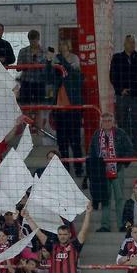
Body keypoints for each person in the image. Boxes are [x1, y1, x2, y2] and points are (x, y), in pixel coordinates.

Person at [87, 113, 134, 232]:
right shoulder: (97, 134)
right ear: (101, 122)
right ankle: (105, 225)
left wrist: (123, 163)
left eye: (109, 120)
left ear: (113, 122)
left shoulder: (120, 133)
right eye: (105, 121)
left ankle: (122, 225)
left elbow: (129, 148)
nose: (107, 123)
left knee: (119, 198)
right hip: (102, 171)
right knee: (105, 199)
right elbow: (91, 152)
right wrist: (93, 169)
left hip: (117, 169)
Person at [47, 41, 85, 176]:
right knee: (62, 143)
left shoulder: (74, 65)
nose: (63, 49)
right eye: (61, 46)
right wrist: (48, 60)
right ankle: (66, 170)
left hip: (72, 110)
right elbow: (48, 77)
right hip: (60, 112)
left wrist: (61, 60)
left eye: (65, 46)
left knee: (75, 143)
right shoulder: (58, 67)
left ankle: (79, 169)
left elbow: (71, 73)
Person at [109, 35, 137, 145]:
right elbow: (113, 76)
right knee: (122, 122)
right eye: (129, 42)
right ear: (124, 43)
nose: (132, 44)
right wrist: (120, 90)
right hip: (121, 96)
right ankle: (124, 147)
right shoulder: (117, 58)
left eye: (133, 42)